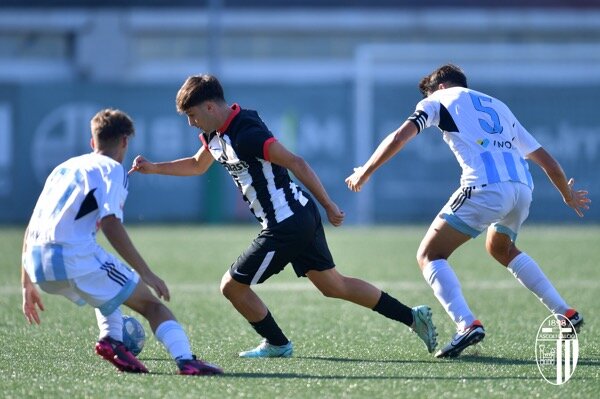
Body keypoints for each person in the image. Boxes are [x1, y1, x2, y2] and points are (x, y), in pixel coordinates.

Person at [129, 74, 438, 358]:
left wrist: (329, 204)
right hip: (296, 215)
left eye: (193, 115)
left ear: (210, 106)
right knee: (334, 285)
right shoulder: (214, 134)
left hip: (287, 222)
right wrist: (155, 167)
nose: (191, 123)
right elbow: (197, 165)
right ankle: (412, 317)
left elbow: (296, 162)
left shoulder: (246, 133)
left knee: (231, 286)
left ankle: (277, 344)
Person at [345, 64, 590, 358]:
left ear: (440, 87)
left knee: (429, 255)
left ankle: (466, 323)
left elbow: (400, 137)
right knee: (501, 247)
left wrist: (366, 172)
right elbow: (549, 162)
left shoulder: (437, 100)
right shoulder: (498, 106)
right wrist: (567, 195)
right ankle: (565, 312)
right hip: (523, 188)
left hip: (486, 188)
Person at [21, 108, 223, 375]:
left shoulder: (63, 168)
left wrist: (26, 284)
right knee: (152, 305)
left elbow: (33, 224)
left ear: (93, 142)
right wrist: (146, 273)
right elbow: (110, 223)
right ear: (125, 141)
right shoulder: (112, 169)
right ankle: (186, 361)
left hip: (37, 264)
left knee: (107, 289)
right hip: (71, 255)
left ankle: (113, 342)